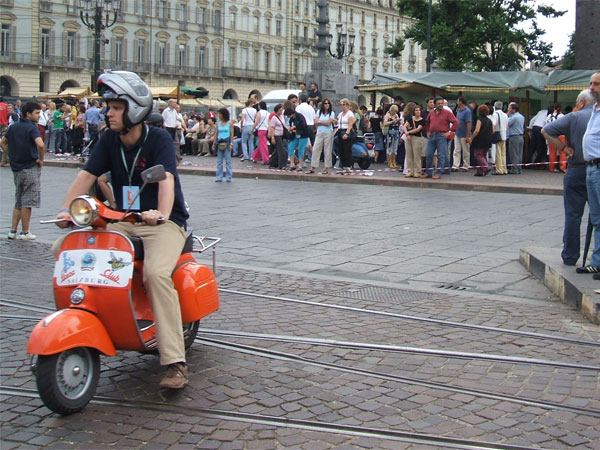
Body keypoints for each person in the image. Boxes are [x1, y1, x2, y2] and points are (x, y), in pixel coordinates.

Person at [54, 71, 191, 388]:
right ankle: (91, 326)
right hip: (124, 220)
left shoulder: (158, 140)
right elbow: (86, 177)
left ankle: (175, 362)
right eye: (108, 107)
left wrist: (161, 213)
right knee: (64, 249)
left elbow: (167, 181)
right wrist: (64, 209)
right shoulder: (108, 140)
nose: (108, 112)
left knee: (155, 274)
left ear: (133, 109)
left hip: (163, 224)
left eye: (115, 107)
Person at [542, 89, 595, 266]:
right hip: (596, 168)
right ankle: (597, 257)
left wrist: (564, 149)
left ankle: (570, 255)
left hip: (576, 168)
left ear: (581, 102)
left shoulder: (574, 117)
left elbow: (546, 130)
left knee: (573, 214)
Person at [1, 101, 45, 240]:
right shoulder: (32, 128)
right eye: (37, 113)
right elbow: (41, 144)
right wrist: (41, 159)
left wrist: (10, 155)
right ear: (28, 114)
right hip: (29, 166)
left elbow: (2, 142)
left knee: (18, 200)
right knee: (28, 201)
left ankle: (12, 231)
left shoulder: (14, 127)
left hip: (17, 168)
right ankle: (25, 232)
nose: (39, 116)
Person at [578, 71, 600, 276]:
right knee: (596, 217)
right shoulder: (594, 109)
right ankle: (597, 261)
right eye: (591, 83)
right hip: (591, 168)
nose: (592, 87)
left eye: (596, 84)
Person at [424, 96, 458, 179]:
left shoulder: (447, 112)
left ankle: (438, 172)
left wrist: (450, 132)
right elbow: (427, 122)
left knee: (441, 155)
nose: (440, 105)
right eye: (439, 103)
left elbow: (456, 122)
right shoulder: (431, 112)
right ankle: (428, 172)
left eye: (442, 103)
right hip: (432, 135)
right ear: (435, 104)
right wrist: (428, 131)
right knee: (428, 154)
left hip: (441, 135)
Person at [310, 98, 336, 174]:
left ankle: (326, 167)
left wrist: (320, 122)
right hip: (320, 132)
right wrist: (322, 122)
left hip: (328, 132)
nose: (327, 105)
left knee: (327, 150)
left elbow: (329, 123)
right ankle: (313, 166)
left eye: (328, 103)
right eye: (325, 103)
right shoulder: (319, 112)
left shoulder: (332, 113)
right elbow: (315, 122)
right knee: (316, 149)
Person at [468, 104, 493, 176]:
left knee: (478, 155)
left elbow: (477, 130)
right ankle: (480, 171)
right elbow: (493, 130)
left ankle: (486, 167)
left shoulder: (480, 120)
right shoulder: (489, 120)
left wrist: (471, 138)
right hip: (488, 139)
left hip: (480, 140)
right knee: (483, 155)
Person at [285, 106, 309, 172]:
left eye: (288, 115)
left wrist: (294, 127)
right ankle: (292, 164)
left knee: (301, 150)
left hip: (303, 135)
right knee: (290, 147)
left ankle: (300, 165)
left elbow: (303, 125)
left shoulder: (299, 116)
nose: (288, 117)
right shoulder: (291, 120)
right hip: (295, 136)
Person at [404, 103, 425, 178]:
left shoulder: (422, 120)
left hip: (417, 138)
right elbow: (405, 126)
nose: (417, 112)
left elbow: (418, 129)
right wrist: (407, 133)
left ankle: (417, 171)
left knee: (416, 155)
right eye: (416, 110)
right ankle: (410, 171)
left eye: (419, 110)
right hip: (409, 138)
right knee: (409, 154)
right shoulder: (410, 118)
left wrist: (408, 132)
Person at [214, 108, 234, 182]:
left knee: (228, 160)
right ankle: (219, 177)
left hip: (227, 141)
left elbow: (232, 134)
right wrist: (214, 143)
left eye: (220, 114)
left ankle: (229, 176)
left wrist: (231, 143)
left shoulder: (230, 123)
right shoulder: (218, 123)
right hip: (219, 142)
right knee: (219, 161)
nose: (219, 115)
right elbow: (216, 133)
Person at [336, 98, 356, 173]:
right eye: (341, 104)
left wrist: (347, 133)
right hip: (340, 130)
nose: (342, 106)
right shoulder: (340, 114)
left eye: (344, 104)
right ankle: (343, 165)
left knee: (347, 149)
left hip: (346, 130)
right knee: (341, 149)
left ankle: (348, 165)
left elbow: (350, 124)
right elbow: (338, 123)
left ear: (347, 105)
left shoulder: (350, 113)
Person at [452, 96, 472, 172]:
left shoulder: (467, 111)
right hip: (458, 132)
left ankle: (466, 165)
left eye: (458, 101)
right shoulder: (459, 110)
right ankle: (455, 165)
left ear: (460, 102)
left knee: (465, 150)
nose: (457, 102)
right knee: (456, 150)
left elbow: (469, 123)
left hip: (464, 133)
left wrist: (467, 135)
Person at [545, 104, 566, 172]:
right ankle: (563, 167)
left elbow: (546, 125)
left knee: (552, 152)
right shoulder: (561, 116)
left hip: (551, 135)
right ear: (559, 108)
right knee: (562, 151)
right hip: (560, 134)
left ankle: (552, 168)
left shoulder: (548, 116)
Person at [490, 101, 508, 175]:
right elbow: (507, 125)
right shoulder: (505, 114)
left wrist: (492, 133)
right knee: (503, 153)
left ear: (495, 106)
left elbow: (493, 125)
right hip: (504, 134)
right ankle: (504, 169)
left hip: (498, 134)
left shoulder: (495, 114)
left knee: (498, 153)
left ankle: (499, 170)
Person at [268, 104, 288, 170]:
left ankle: (272, 162)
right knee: (281, 150)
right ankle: (282, 164)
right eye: (280, 110)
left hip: (281, 134)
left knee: (277, 150)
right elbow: (272, 128)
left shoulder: (282, 117)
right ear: (277, 111)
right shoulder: (274, 118)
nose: (281, 111)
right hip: (276, 135)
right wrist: (272, 137)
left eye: (282, 110)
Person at [507, 103, 525, 175]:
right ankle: (519, 168)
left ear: (514, 109)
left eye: (510, 108)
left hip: (514, 136)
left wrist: (507, 114)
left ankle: (514, 169)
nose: (509, 110)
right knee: (519, 154)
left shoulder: (514, 117)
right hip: (520, 136)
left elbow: (507, 123)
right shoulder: (521, 116)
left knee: (514, 154)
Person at [383, 105, 401, 169]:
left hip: (396, 132)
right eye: (394, 111)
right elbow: (384, 123)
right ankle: (390, 161)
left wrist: (399, 120)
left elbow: (400, 122)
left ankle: (394, 161)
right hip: (390, 132)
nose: (395, 113)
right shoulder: (387, 115)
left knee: (395, 147)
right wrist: (392, 121)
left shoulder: (396, 115)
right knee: (390, 147)